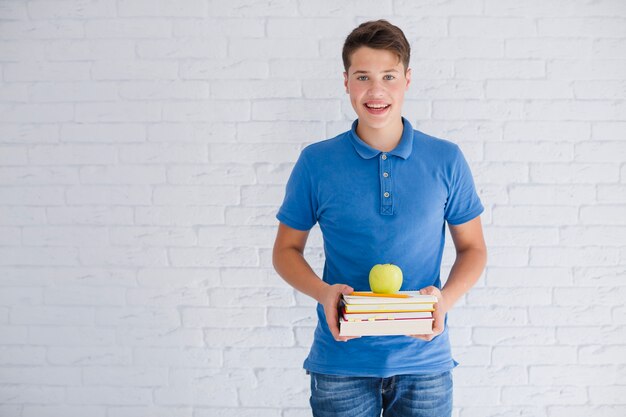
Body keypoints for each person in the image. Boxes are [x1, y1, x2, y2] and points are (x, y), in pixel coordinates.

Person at [272, 19, 487, 417]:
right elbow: (285, 250)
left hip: (425, 364)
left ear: (407, 79)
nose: (376, 91)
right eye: (363, 77)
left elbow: (473, 249)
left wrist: (445, 302)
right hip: (341, 364)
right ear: (346, 82)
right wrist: (323, 292)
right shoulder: (316, 162)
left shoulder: (446, 159)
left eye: (388, 76)